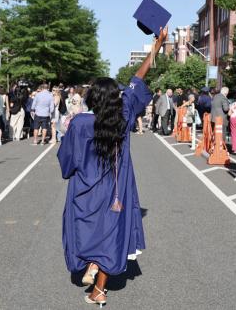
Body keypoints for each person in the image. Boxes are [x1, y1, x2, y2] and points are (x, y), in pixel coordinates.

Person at [58, 26, 168, 307]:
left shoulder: (80, 124)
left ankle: (90, 263)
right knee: (112, 234)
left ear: (92, 98)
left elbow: (67, 160)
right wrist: (157, 45)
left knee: (84, 228)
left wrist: (72, 170)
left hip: (85, 187)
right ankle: (99, 290)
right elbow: (137, 81)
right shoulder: (125, 116)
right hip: (117, 189)